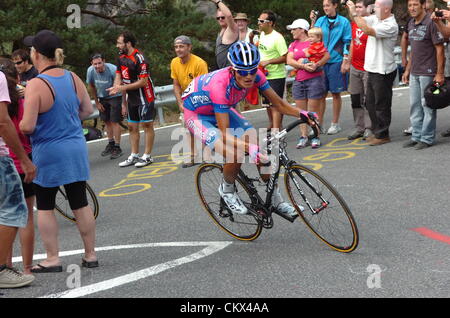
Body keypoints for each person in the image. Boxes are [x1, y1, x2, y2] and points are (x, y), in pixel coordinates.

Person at [182, 41, 315, 217]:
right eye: (243, 72)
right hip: (197, 115)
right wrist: (247, 148)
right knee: (234, 151)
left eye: (252, 70)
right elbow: (225, 134)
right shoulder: (220, 85)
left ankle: (276, 200)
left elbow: (279, 104)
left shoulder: (256, 75)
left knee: (261, 150)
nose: (249, 76)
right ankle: (227, 190)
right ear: (233, 69)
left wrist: (302, 114)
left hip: (220, 108)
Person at [20, 29, 98, 272]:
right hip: (75, 146)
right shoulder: (72, 77)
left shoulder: (36, 83)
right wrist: (67, 121)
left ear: (36, 55)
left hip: (49, 151)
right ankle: (90, 255)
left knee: (44, 204)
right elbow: (87, 111)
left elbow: (28, 125)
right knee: (79, 201)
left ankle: (52, 258)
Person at [0, 61, 36, 288]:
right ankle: (4, 268)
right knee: (15, 209)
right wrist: (24, 159)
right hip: (5, 158)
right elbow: (3, 123)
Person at [346, 0, 398, 146]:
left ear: (387, 9)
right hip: (372, 68)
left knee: (381, 104)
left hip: (383, 70)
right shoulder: (376, 18)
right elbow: (360, 20)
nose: (374, 8)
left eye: (377, 6)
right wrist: (352, 9)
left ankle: (383, 134)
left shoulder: (390, 25)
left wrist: (355, 13)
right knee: (369, 103)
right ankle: (377, 131)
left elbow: (367, 30)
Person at [108, 31, 156, 168]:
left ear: (128, 43)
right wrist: (116, 87)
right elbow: (118, 75)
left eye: (119, 43)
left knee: (147, 125)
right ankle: (134, 155)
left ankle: (147, 156)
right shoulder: (121, 57)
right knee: (131, 126)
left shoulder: (140, 58)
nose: (117, 45)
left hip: (144, 95)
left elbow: (143, 82)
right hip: (131, 97)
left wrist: (122, 88)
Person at [402, 0, 445, 150]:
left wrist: (439, 74)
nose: (412, 8)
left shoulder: (431, 22)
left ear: (422, 5)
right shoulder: (411, 23)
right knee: (415, 105)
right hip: (415, 71)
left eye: (415, 5)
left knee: (427, 106)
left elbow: (439, 49)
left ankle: (427, 138)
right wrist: (407, 70)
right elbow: (413, 50)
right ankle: (416, 136)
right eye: (410, 5)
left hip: (428, 72)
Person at [286, 19, 330, 149]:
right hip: (299, 80)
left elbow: (327, 56)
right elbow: (289, 60)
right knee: (301, 112)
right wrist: (303, 66)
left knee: (312, 111)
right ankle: (303, 136)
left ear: (302, 29)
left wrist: (316, 64)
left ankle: (316, 135)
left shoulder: (314, 41)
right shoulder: (293, 44)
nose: (292, 31)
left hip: (315, 79)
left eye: (294, 29)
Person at [311, 0, 352, 134]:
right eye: (323, 6)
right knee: (321, 94)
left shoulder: (344, 22)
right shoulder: (320, 21)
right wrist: (312, 21)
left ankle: (335, 123)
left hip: (336, 61)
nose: (325, 8)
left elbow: (347, 41)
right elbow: (313, 36)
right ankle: (319, 124)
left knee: (335, 93)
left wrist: (345, 60)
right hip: (321, 61)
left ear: (335, 5)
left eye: (328, 5)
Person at [170, 35, 208, 168]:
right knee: (187, 128)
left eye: (181, 46)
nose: (178, 49)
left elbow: (203, 87)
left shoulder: (199, 63)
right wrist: (180, 102)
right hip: (186, 99)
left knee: (203, 128)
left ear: (189, 47)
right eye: (176, 47)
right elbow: (176, 84)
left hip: (200, 97)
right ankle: (192, 156)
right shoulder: (174, 62)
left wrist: (195, 105)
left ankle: (208, 157)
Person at [86, 53, 123, 159]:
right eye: (95, 64)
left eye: (99, 63)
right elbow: (91, 86)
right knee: (106, 121)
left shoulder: (112, 69)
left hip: (115, 96)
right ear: (92, 64)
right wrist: (97, 102)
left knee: (114, 121)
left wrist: (123, 103)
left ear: (104, 61)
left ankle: (117, 146)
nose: (97, 66)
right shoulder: (90, 71)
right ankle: (111, 144)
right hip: (102, 97)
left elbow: (120, 85)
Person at [257, 10, 289, 129]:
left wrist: (268, 61)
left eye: (261, 21)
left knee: (275, 104)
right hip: (264, 75)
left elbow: (285, 57)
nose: (259, 23)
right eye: (258, 20)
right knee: (267, 104)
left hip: (276, 76)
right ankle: (273, 125)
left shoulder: (277, 37)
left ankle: (276, 129)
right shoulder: (262, 34)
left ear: (270, 23)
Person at [347, 0, 373, 141]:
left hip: (367, 66)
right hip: (355, 66)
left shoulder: (371, 23)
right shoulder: (354, 23)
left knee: (368, 99)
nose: (356, 9)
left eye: (359, 7)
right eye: (355, 7)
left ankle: (369, 127)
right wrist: (348, 61)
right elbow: (353, 41)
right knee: (355, 99)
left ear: (367, 8)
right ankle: (359, 127)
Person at [213, 0, 239, 69]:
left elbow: (229, 15)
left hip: (231, 70)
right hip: (222, 69)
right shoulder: (222, 30)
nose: (220, 19)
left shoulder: (232, 29)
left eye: (223, 17)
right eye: (218, 18)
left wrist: (217, 1)